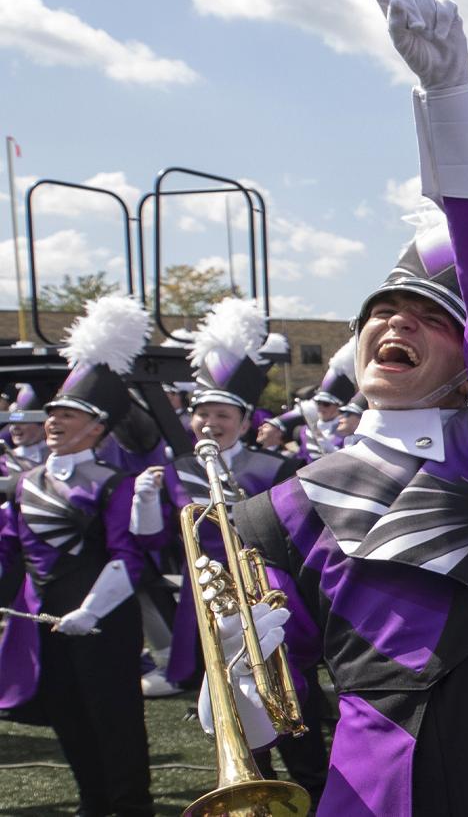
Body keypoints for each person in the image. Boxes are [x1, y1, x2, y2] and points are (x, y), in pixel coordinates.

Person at [197, 0, 468, 811]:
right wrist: (235, 689)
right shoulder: (281, 510)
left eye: (430, 318)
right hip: (374, 786)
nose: (395, 322)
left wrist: (449, 97)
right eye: (379, 312)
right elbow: (289, 705)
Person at [137, 298, 325, 792]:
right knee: (234, 709)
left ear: (243, 421)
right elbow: (159, 543)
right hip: (207, 605)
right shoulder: (178, 470)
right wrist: (146, 508)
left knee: (297, 710)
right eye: (202, 414)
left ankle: (313, 784)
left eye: (222, 414)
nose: (210, 423)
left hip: (269, 594)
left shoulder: (275, 467)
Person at [0, 297, 160, 817]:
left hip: (102, 619)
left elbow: (127, 556)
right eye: (53, 413)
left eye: (69, 415)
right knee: (66, 713)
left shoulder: (116, 483)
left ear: (98, 429)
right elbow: (9, 544)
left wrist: (91, 611)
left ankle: (130, 805)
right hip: (42, 619)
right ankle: (94, 802)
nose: (54, 421)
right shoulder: (25, 483)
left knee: (114, 716)